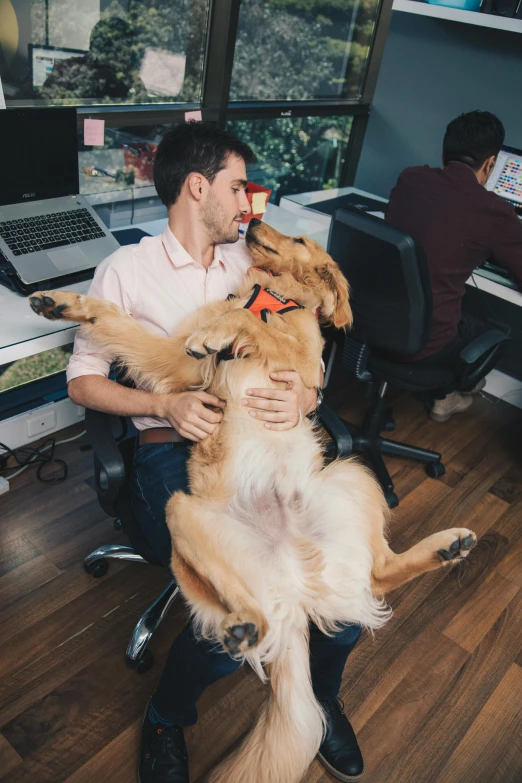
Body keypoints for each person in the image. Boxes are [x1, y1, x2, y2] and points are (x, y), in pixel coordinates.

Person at [66, 122, 364, 783]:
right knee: (239, 625)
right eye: (238, 187)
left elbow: (303, 360)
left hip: (269, 446)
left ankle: (316, 699)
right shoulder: (127, 270)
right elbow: (81, 380)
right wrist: (161, 404)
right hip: (178, 450)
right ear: (196, 187)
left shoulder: (251, 266)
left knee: (342, 601)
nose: (249, 202)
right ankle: (167, 716)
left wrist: (304, 401)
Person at [386, 110, 522, 422]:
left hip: (374, 320)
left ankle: (443, 396)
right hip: (426, 344)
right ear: (490, 164)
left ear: (445, 152)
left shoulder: (411, 178)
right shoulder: (495, 211)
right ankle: (450, 393)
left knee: (446, 308)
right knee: (492, 330)